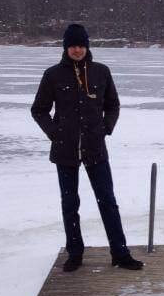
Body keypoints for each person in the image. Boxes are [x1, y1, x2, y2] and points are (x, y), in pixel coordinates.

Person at [31, 23, 143, 272]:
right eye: (73, 45)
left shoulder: (101, 72)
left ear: (87, 46)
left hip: (95, 149)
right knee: (70, 204)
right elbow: (38, 110)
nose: (77, 50)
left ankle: (120, 253)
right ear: (65, 47)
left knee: (108, 201)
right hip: (65, 151)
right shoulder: (53, 75)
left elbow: (113, 105)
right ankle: (75, 252)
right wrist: (54, 132)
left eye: (81, 45)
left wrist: (105, 128)